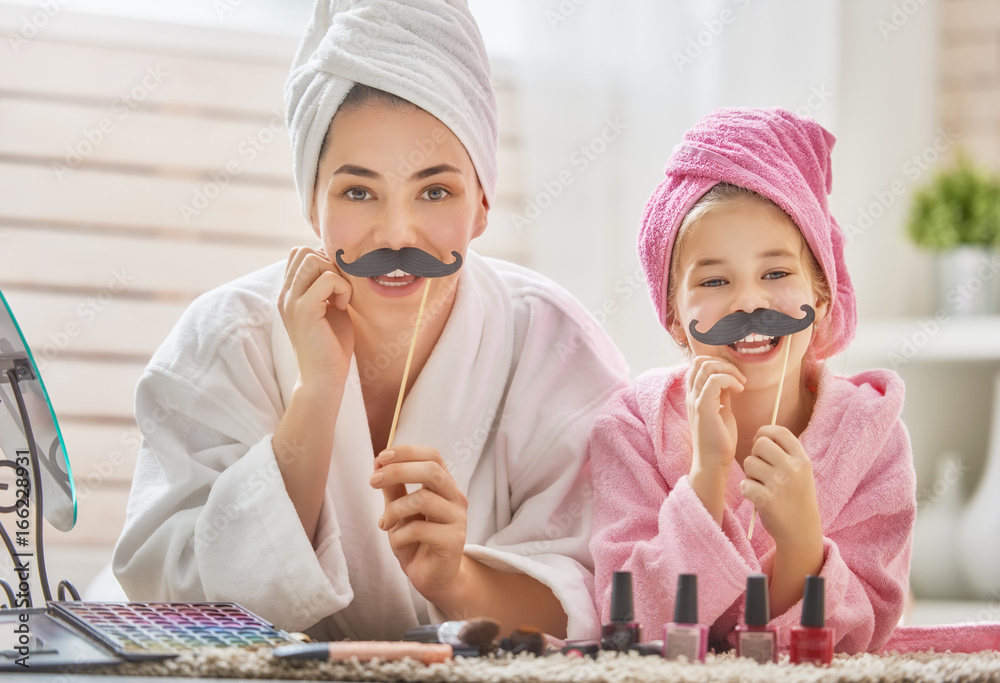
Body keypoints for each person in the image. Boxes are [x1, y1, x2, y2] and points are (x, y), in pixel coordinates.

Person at [112, 0, 628, 642]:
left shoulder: (552, 342)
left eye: (435, 191)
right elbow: (173, 598)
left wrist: (456, 580)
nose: (396, 232)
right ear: (311, 205)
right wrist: (315, 395)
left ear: (483, 205)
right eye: (358, 191)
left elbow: (611, 588)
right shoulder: (224, 341)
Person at [588, 108, 916, 654]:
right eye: (715, 280)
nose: (750, 302)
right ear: (672, 316)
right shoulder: (633, 429)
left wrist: (802, 543)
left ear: (822, 294)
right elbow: (631, 622)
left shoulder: (871, 433)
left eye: (776, 273)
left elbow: (863, 634)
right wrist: (706, 478)